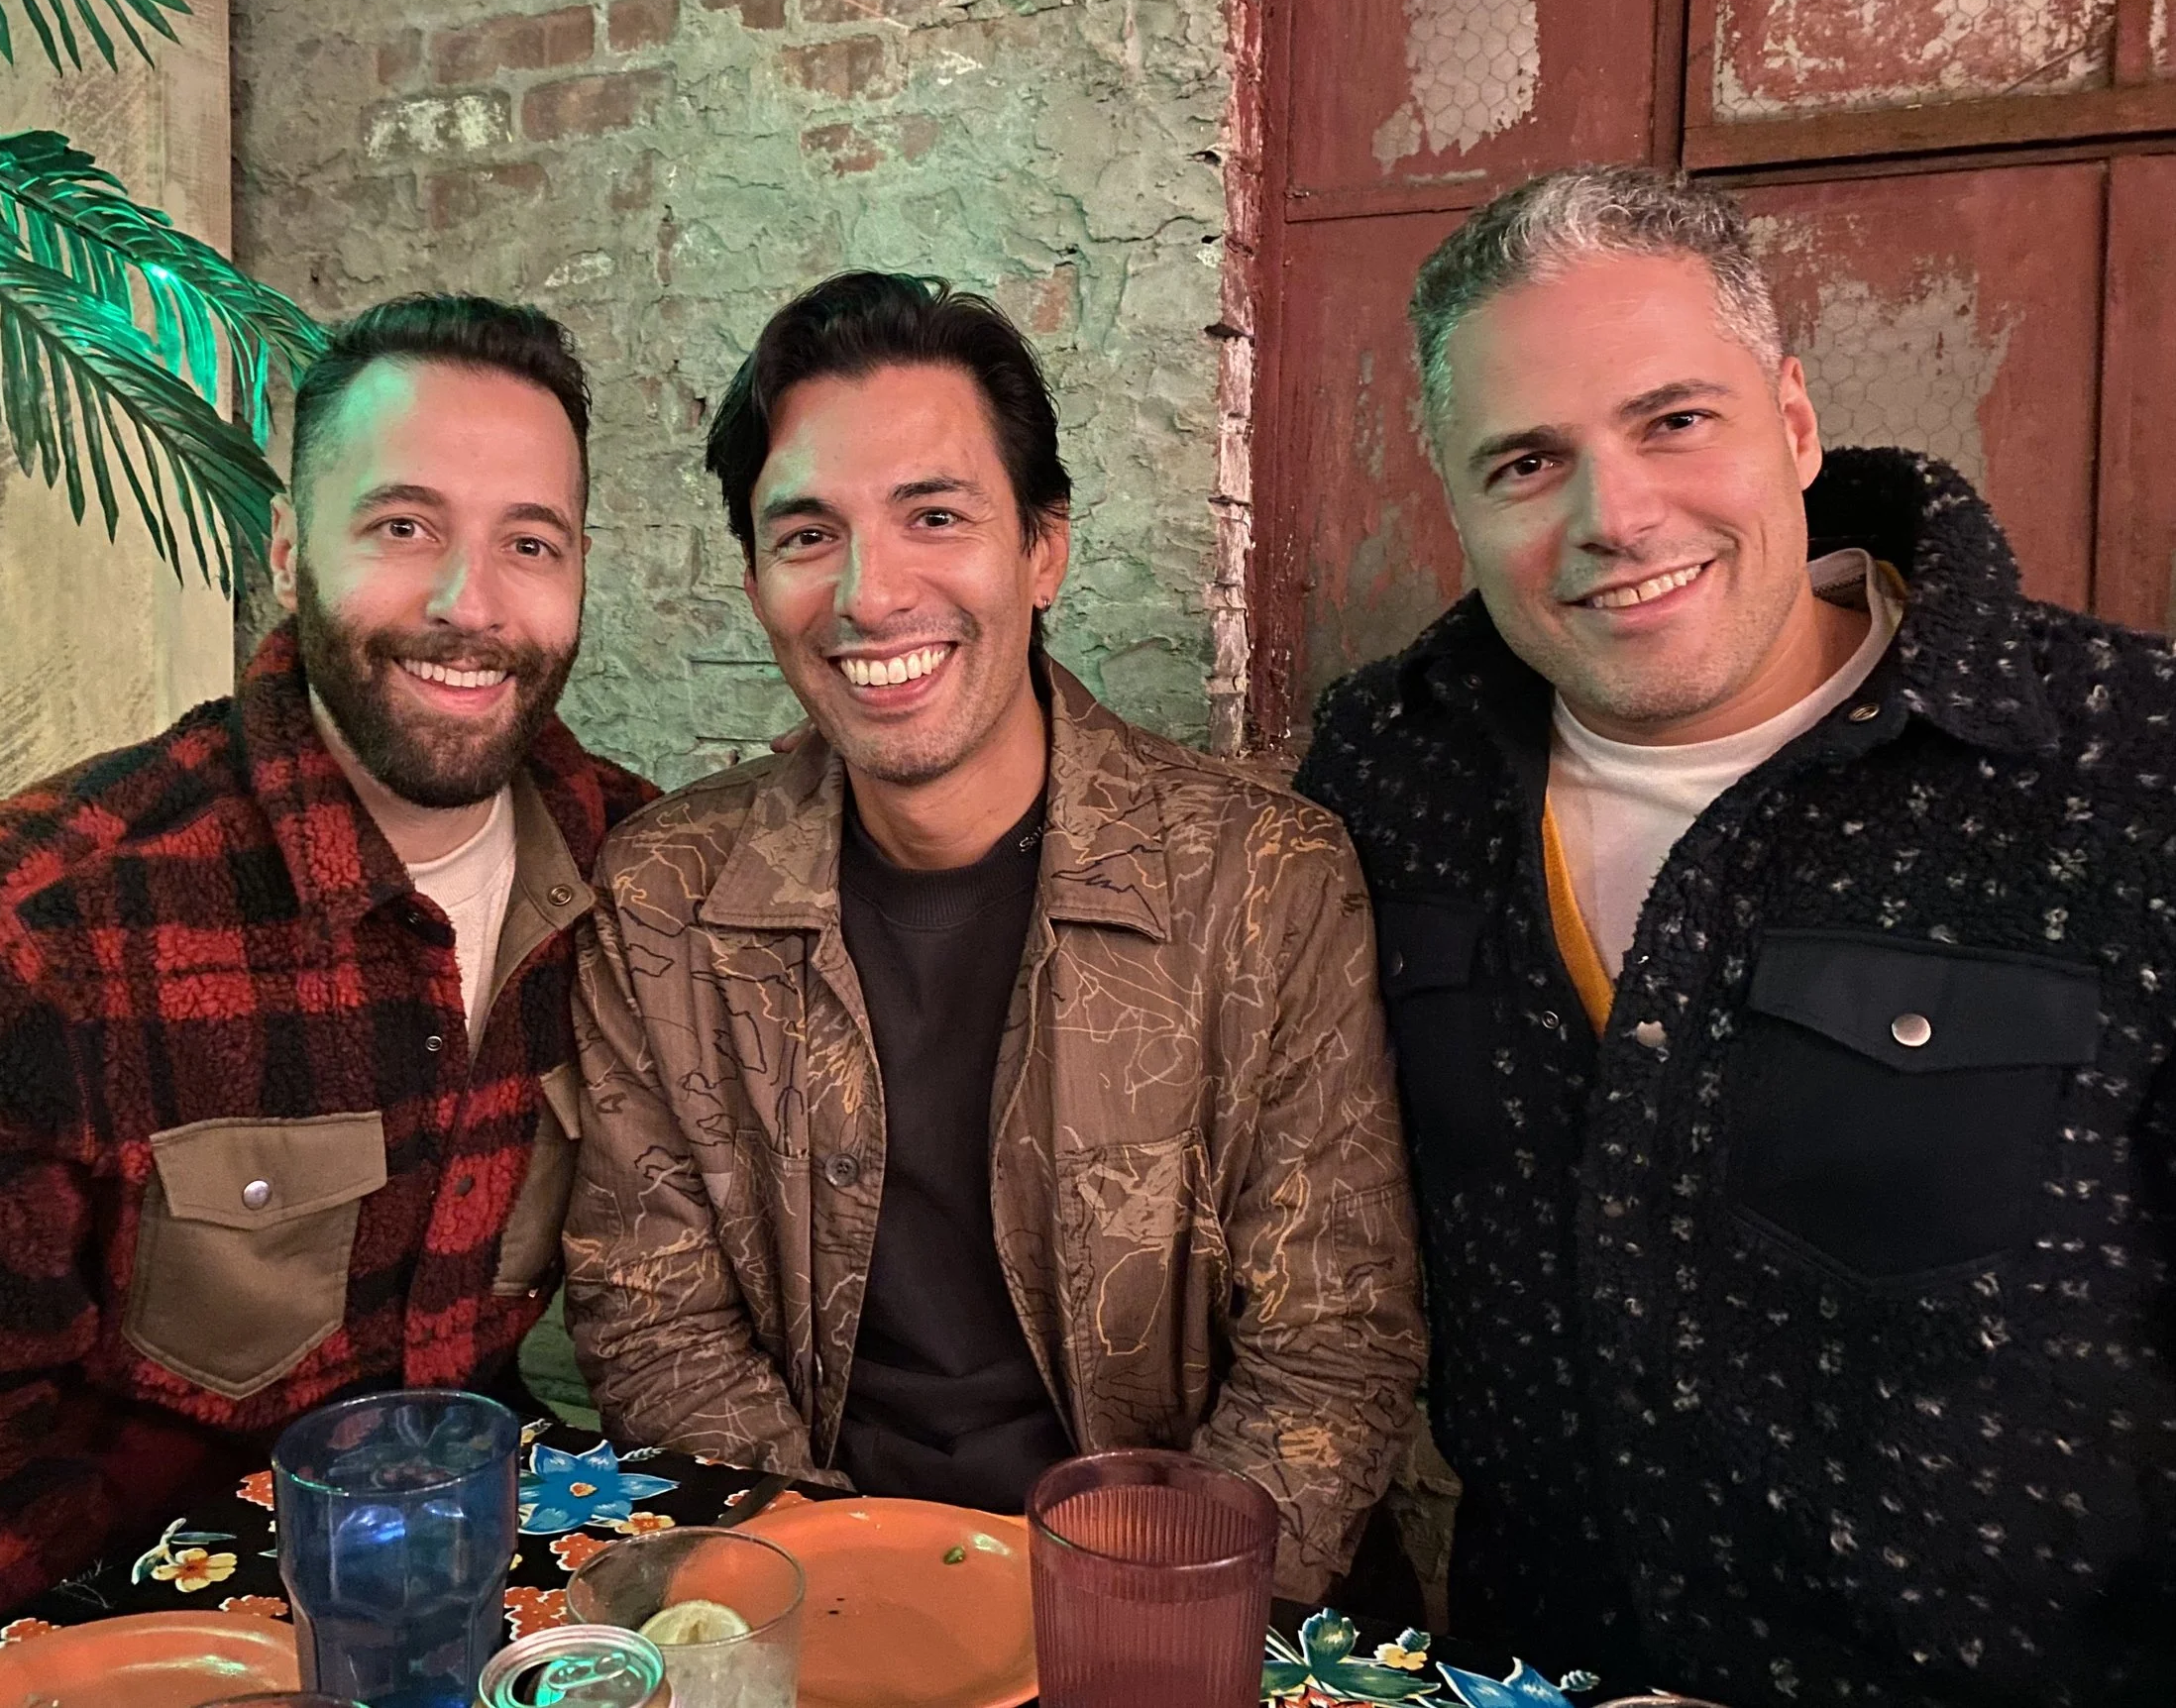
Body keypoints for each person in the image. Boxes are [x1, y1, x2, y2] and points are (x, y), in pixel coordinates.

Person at [1297, 165, 2176, 1707]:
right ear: (1453, 496)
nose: (1613, 514)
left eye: (1673, 420)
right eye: (1524, 462)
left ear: (1793, 417)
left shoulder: (2127, 767)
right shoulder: (1391, 767)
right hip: (1534, 1671)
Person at [0, 295, 655, 1707]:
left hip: (482, 1612)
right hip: (126, 1643)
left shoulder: (642, 881)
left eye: (529, 541)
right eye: (404, 526)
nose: (471, 601)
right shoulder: (30, 930)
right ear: (289, 550)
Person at [562, 270, 1426, 1601]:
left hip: (1174, 1615)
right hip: (822, 1582)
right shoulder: (669, 892)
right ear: (752, 578)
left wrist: (1127, 1627)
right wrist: (841, 1597)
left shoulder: (1263, 882)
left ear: (1042, 547)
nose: (869, 593)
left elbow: (1332, 1348)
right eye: (806, 535)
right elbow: (654, 1318)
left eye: (935, 515)